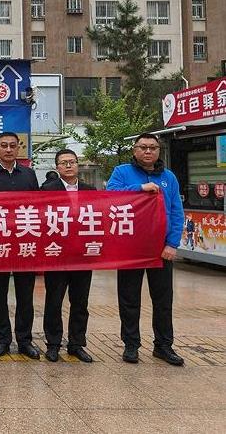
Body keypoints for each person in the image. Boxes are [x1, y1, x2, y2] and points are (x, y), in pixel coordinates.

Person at [107, 133, 185, 366]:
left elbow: (176, 211)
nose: (148, 151)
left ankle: (163, 346)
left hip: (161, 249)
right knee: (129, 298)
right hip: (131, 247)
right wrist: (140, 188)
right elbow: (110, 197)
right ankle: (131, 344)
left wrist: (172, 243)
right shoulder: (121, 172)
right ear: (134, 150)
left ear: (159, 151)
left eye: (152, 147)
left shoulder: (168, 177)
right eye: (143, 147)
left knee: (163, 300)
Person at [0, 131, 41, 359]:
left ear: (19, 147)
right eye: (4, 145)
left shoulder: (29, 175)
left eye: (13, 145)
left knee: (25, 294)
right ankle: (2, 339)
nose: (9, 149)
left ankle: (24, 340)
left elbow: (38, 207)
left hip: (24, 243)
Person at [40, 149, 95, 363]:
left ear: (77, 165)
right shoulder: (47, 190)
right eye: (64, 163)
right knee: (54, 301)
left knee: (80, 302)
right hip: (57, 254)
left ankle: (76, 344)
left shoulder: (90, 190)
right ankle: (53, 344)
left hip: (82, 255)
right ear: (57, 167)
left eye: (72, 162)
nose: (68, 165)